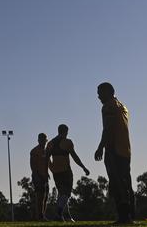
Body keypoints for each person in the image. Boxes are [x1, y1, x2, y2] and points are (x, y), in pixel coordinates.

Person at [94, 82, 134, 224]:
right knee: (125, 182)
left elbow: (108, 128)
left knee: (117, 183)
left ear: (108, 92)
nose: (98, 96)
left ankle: (123, 217)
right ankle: (129, 216)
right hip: (125, 150)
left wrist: (100, 147)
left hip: (114, 149)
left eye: (100, 92)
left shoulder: (108, 107)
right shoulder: (122, 106)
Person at [46, 124, 90, 222]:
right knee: (66, 193)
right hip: (66, 171)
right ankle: (59, 214)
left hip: (55, 172)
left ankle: (67, 217)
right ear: (65, 132)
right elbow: (75, 157)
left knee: (62, 194)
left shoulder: (50, 143)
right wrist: (84, 167)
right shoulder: (67, 142)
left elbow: (46, 158)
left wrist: (49, 169)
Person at [30, 133, 50, 221]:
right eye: (41, 140)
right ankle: (39, 216)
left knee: (45, 197)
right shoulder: (34, 151)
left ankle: (41, 216)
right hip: (37, 177)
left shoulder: (46, 151)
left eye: (44, 140)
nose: (43, 142)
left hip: (45, 177)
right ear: (38, 140)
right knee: (40, 197)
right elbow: (33, 166)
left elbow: (47, 163)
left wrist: (47, 174)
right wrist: (37, 176)